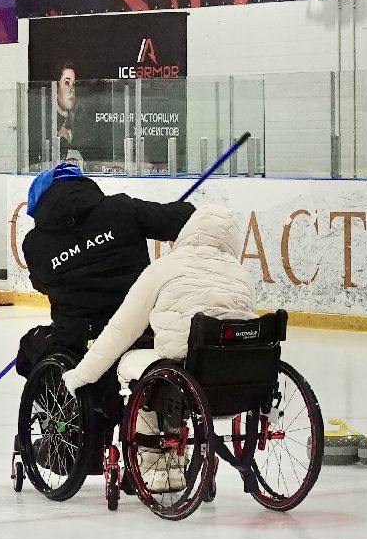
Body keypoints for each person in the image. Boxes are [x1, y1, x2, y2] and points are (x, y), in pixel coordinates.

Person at [61, 205, 257, 492]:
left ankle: (155, 462)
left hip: (184, 374)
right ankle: (177, 462)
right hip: (240, 382)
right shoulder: (242, 276)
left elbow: (122, 329)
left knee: (136, 364)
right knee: (175, 371)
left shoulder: (164, 268)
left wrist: (83, 374)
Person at [21, 163, 196, 437]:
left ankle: (70, 424)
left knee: (29, 349)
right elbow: (184, 218)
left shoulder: (34, 243)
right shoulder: (121, 210)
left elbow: (41, 284)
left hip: (76, 339)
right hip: (138, 330)